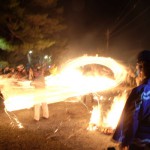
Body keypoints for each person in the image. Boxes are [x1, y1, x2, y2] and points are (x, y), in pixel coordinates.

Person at [112, 50, 150, 150]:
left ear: (143, 67)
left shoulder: (141, 91)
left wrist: (125, 141)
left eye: (139, 67)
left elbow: (133, 118)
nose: (138, 71)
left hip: (141, 143)